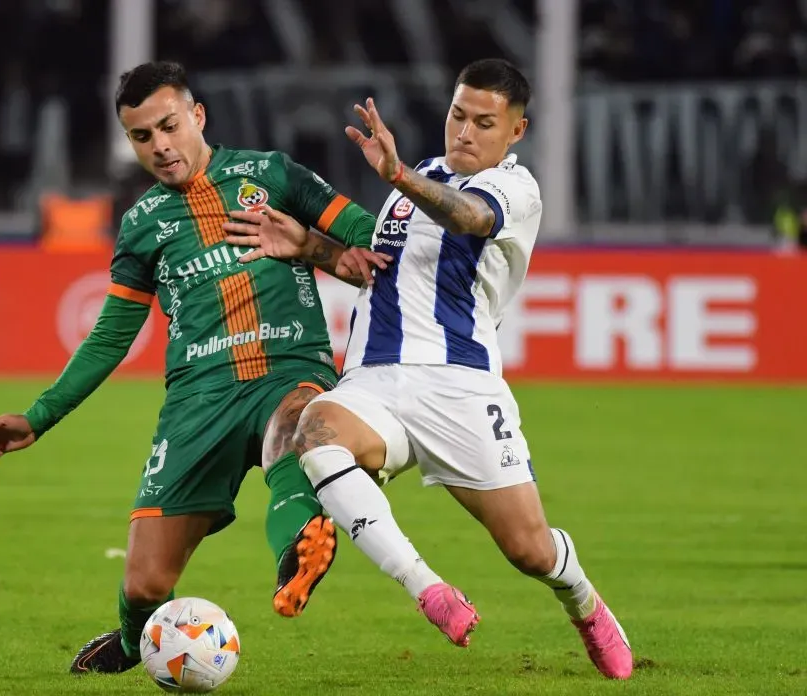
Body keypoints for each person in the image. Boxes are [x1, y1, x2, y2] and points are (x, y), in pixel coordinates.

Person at [0, 61, 390, 674]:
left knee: (296, 430)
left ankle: (298, 549)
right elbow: (111, 335)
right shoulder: (141, 225)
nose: (160, 146)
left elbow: (372, 246)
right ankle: (133, 636)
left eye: (168, 126)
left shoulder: (272, 175)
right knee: (145, 583)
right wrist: (39, 417)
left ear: (197, 116)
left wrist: (311, 244)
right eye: (142, 136)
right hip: (199, 400)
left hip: (287, 372)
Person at [222, 58, 634, 680]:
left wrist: (398, 174)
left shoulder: (515, 190)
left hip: (458, 386)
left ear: (515, 132)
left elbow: (468, 219)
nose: (465, 132)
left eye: (484, 122)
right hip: (373, 381)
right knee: (315, 434)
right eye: (457, 116)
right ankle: (428, 589)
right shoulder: (411, 186)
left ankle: (583, 602)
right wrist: (309, 247)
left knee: (530, 549)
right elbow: (376, 270)